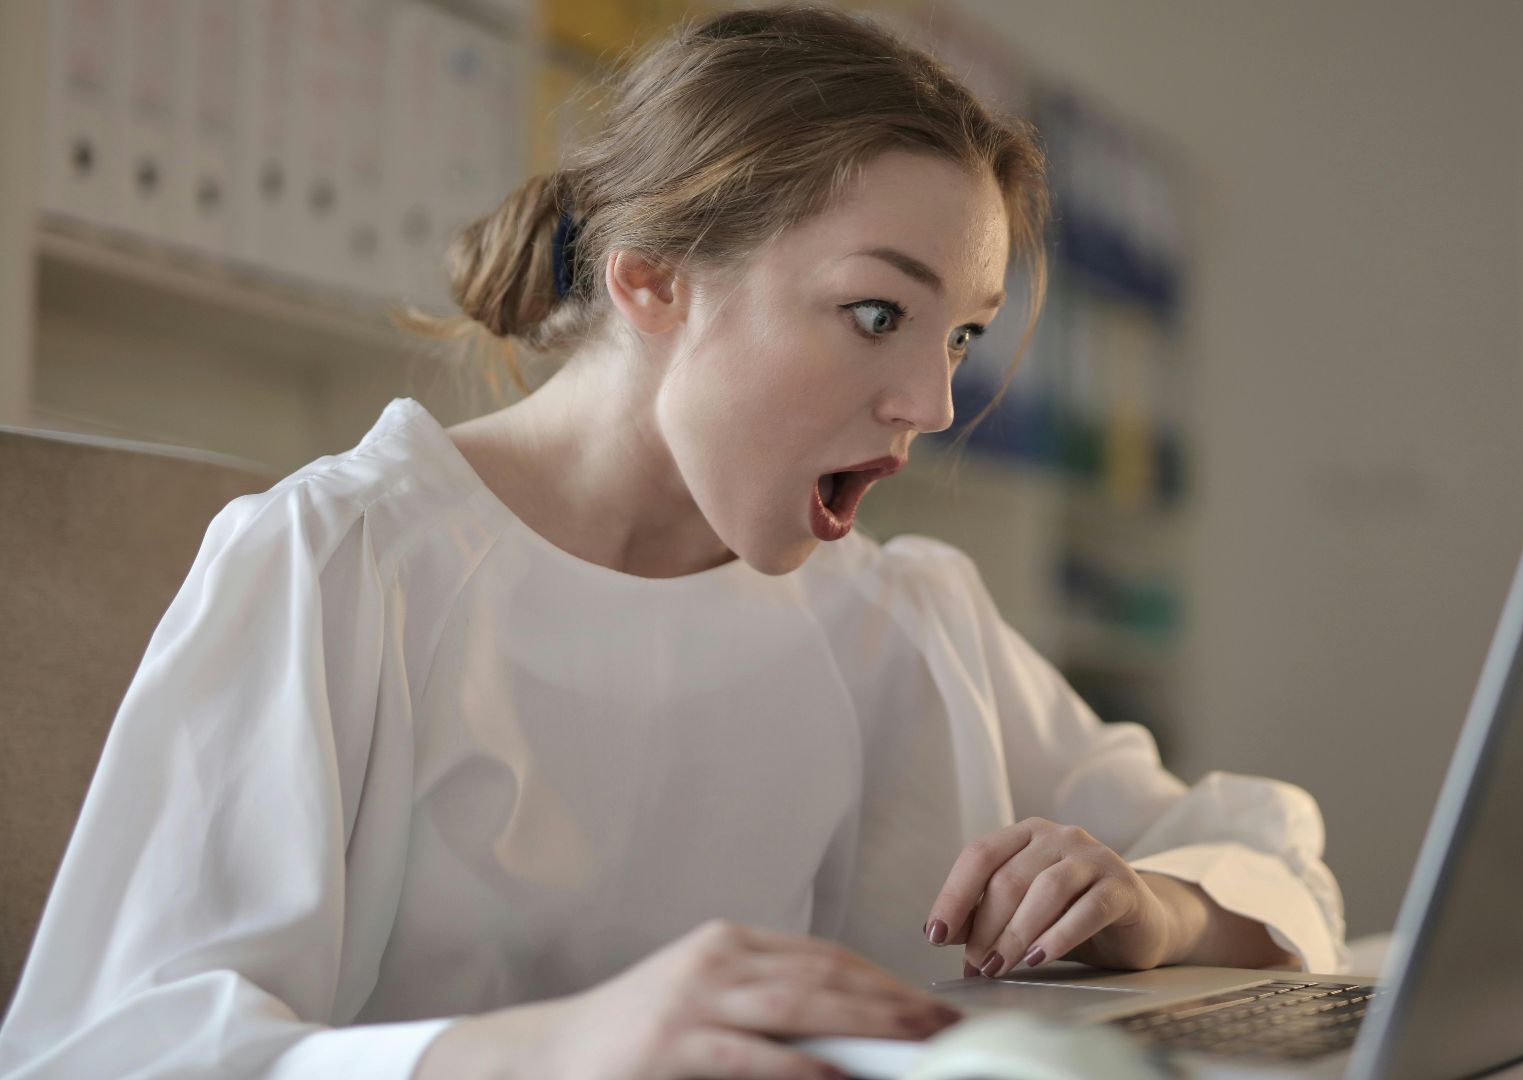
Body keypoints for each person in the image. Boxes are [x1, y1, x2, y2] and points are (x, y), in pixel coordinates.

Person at [0, 6, 1345, 1079]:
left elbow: (1257, 850)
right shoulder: (341, 565)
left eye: (962, 337)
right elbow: (101, 1049)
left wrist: (1151, 908)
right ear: (652, 279)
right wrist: (548, 1052)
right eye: (879, 313)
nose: (932, 406)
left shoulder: (906, 615)